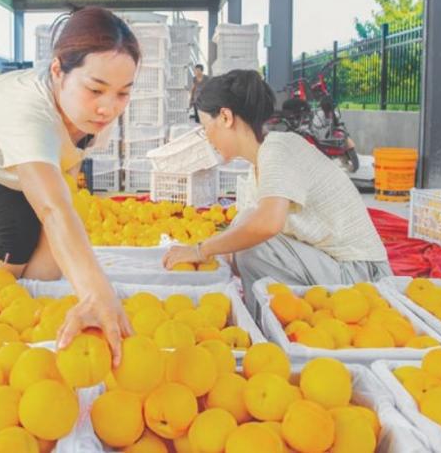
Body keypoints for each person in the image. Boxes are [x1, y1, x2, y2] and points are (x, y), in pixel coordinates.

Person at [0, 7, 138, 362]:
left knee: (53, 240)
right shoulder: (28, 113)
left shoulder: (91, 113)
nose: (108, 108)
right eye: (96, 89)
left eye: (122, 93)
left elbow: (65, 172)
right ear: (58, 70)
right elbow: (51, 208)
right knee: (19, 228)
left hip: (23, 153)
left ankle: (28, 320)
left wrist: (49, 286)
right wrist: (96, 293)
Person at [163, 70, 392, 312]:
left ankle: (267, 320)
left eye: (205, 127)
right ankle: (272, 314)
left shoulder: (279, 148)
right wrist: (203, 259)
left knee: (251, 244)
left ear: (225, 117)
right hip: (332, 268)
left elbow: (267, 225)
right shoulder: (258, 166)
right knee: (242, 226)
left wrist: (201, 250)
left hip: (361, 275)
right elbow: (244, 235)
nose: (207, 138)